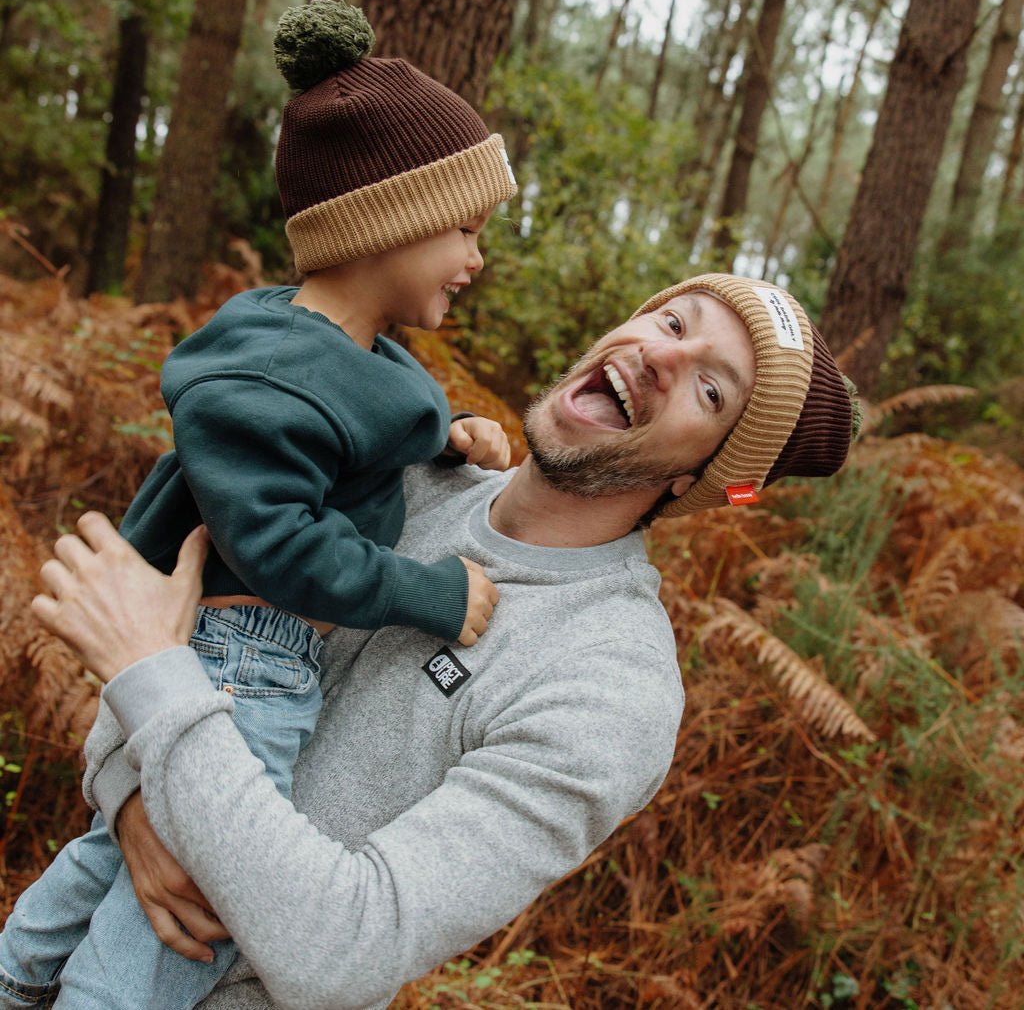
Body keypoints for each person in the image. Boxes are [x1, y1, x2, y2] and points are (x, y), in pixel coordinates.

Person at [10, 273, 859, 1010]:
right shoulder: (401, 472)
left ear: (698, 477)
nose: (664, 356)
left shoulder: (611, 688)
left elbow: (343, 947)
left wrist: (151, 690)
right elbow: (171, 633)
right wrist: (131, 803)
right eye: (675, 322)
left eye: (712, 391)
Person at [0, 0, 520, 1009]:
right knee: (190, 908)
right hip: (249, 665)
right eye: (464, 227)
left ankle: (17, 972)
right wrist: (427, 592)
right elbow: (281, 538)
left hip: (238, 654)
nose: (476, 258)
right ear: (387, 223)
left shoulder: (327, 351)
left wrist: (450, 431)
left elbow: (351, 433)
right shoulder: (270, 380)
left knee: (114, 864)